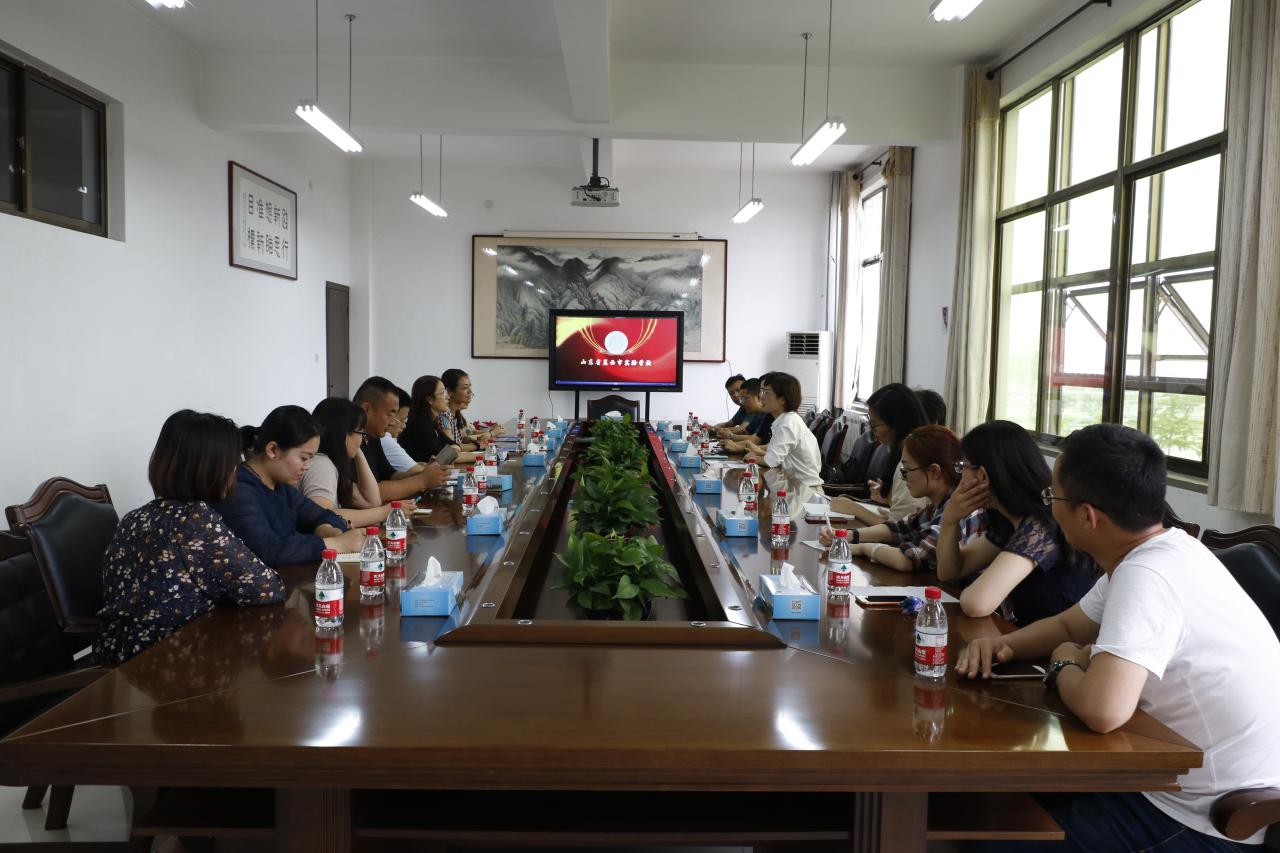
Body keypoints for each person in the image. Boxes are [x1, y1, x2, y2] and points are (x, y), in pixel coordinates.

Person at [957, 424, 1280, 851]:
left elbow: (1103, 710)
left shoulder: (1147, 576)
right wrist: (1002, 646)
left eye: (1054, 498)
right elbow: (1069, 626)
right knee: (997, 799)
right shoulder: (1164, 550)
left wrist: (1063, 663)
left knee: (989, 840)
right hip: (1174, 781)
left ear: (1088, 517)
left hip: (1206, 818)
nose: (1050, 509)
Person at [94, 410, 286, 665]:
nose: (236, 472)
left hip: (116, 656)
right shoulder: (194, 520)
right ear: (211, 468)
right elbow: (267, 588)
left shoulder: (135, 517)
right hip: (161, 661)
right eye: (232, 463)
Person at [935, 421, 1100, 626]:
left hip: (1056, 642)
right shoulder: (1010, 520)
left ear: (983, 475)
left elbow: (977, 603)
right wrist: (949, 520)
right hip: (1030, 636)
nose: (960, 475)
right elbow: (949, 571)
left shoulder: (1041, 525)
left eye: (963, 467)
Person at [819, 425, 985, 573]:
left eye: (906, 470)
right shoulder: (937, 506)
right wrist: (846, 536)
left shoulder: (957, 509)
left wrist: (861, 548)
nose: (904, 478)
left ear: (934, 471)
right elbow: (899, 529)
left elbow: (906, 559)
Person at [215, 405, 363, 567]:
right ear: (273, 450)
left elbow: (323, 515)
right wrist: (337, 544)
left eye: (310, 459)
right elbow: (269, 550)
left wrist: (325, 528)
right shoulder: (238, 489)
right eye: (303, 458)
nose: (307, 467)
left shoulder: (281, 487)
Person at [828, 382, 929, 524]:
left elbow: (900, 530)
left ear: (897, 422)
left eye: (875, 425)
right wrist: (888, 499)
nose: (872, 431)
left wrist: (854, 508)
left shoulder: (912, 463)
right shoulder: (905, 452)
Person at [304, 397, 411, 529]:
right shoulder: (322, 465)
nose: (362, 439)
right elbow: (323, 516)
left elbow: (372, 502)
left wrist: (357, 451)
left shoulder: (334, 465)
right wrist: (384, 512)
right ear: (345, 435)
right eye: (361, 432)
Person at [355, 376, 449, 500]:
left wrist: (425, 473)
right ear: (366, 409)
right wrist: (422, 480)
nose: (392, 422)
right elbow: (372, 492)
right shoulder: (349, 440)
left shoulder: (373, 437)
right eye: (390, 414)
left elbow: (390, 475)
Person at [744, 372, 821, 517]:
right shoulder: (783, 420)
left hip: (807, 493)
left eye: (766, 392)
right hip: (795, 487)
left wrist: (751, 457)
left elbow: (771, 461)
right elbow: (776, 455)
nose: (761, 396)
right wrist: (758, 453)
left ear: (783, 399)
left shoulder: (788, 423)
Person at [400, 374, 465, 466]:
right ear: (429, 399)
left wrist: (452, 452)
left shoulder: (430, 420)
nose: (448, 397)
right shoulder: (420, 423)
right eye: (442, 393)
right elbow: (441, 459)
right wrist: (482, 456)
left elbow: (452, 444)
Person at [440, 368, 494, 451]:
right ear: (450, 391)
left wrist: (482, 438)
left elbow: (463, 439)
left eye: (470, 386)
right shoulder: (444, 416)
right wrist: (490, 434)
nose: (470, 391)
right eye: (465, 388)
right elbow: (451, 448)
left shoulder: (456, 413)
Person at [380, 386, 427, 474]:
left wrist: (417, 465)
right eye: (403, 420)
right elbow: (420, 473)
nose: (404, 426)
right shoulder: (384, 439)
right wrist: (426, 470)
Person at [722, 377, 773, 454]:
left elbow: (772, 449)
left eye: (744, 399)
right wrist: (729, 443)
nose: (742, 402)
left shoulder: (776, 416)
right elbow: (753, 437)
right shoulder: (766, 416)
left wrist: (738, 446)